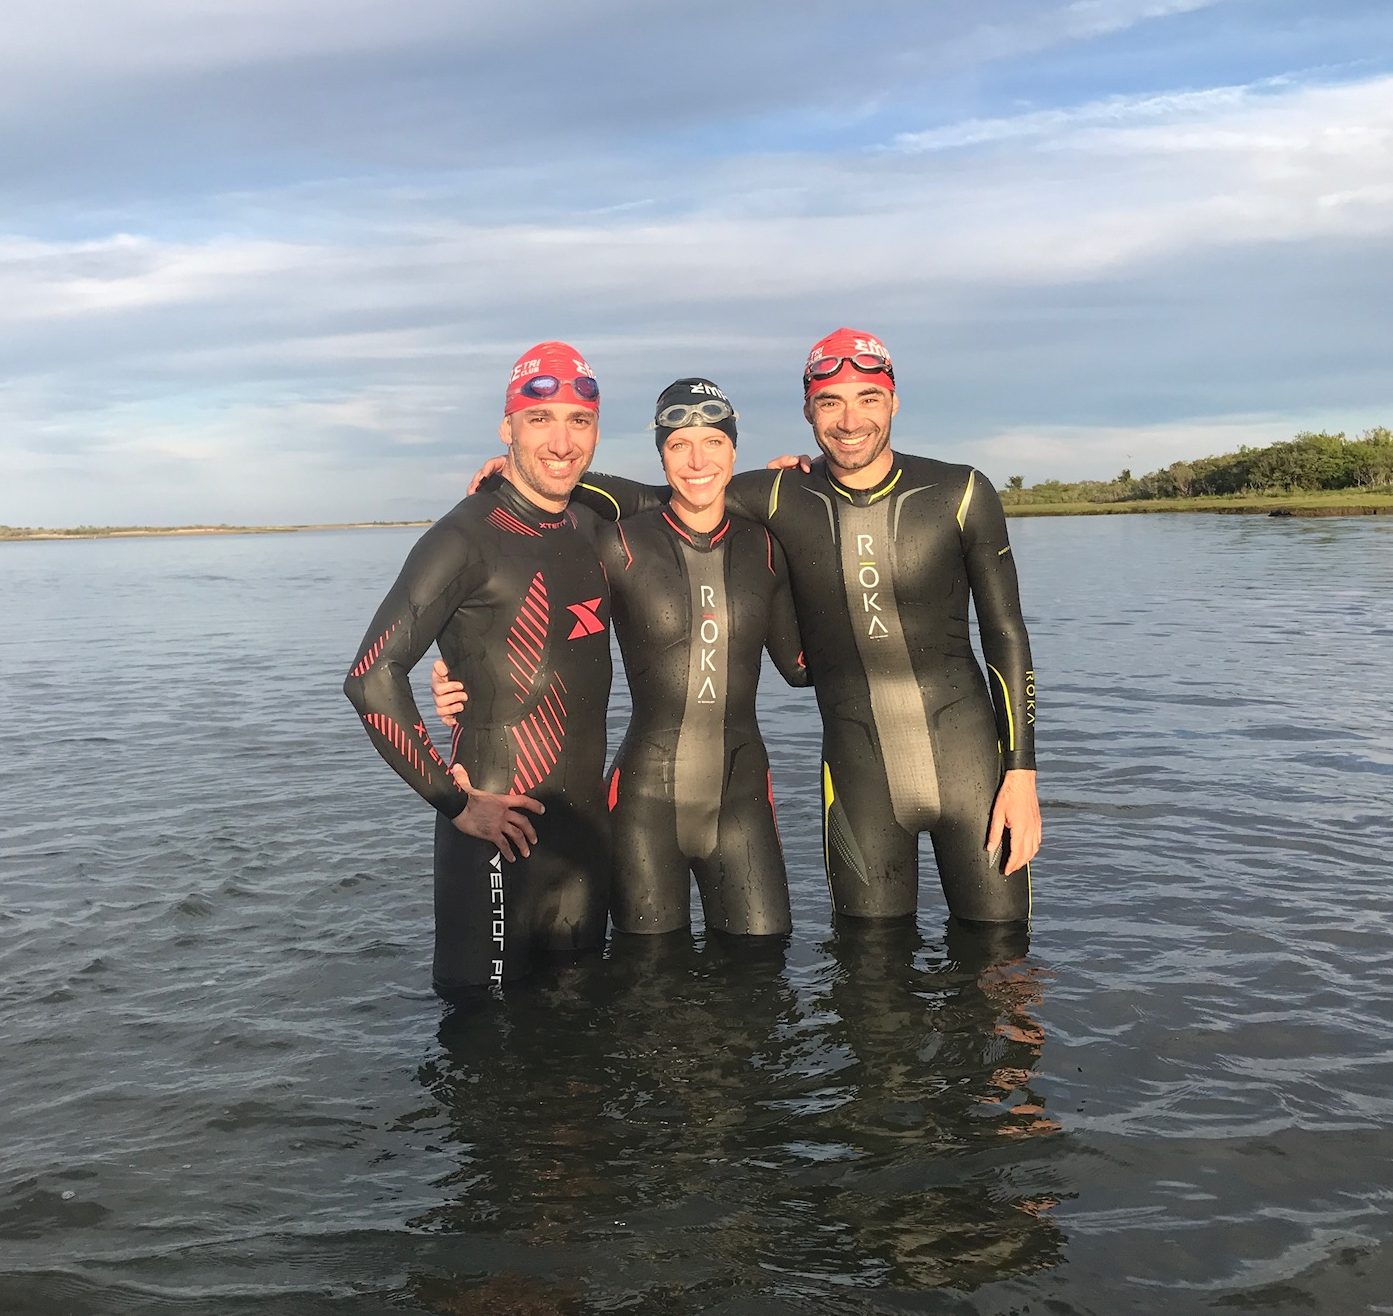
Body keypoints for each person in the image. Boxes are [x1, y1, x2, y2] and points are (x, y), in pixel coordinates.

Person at [558, 328, 1042, 926]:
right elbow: (669, 496)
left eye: (868, 398)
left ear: (893, 401)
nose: (850, 420)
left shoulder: (961, 492)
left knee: (1003, 960)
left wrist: (1021, 774)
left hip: (977, 775)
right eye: (830, 402)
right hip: (861, 782)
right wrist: (523, 477)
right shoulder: (781, 495)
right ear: (809, 411)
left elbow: (1006, 635)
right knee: (866, 969)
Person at [434, 378, 809, 937]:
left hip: (743, 802)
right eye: (678, 445)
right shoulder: (618, 546)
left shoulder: (767, 547)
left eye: (713, 442)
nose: (697, 460)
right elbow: (531, 625)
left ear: (735, 450)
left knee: (763, 964)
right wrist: (463, 673)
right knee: (646, 978)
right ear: (661, 455)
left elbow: (800, 668)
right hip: (644, 806)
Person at [343, 341, 613, 998]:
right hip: (494, 835)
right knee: (481, 1034)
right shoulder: (463, 538)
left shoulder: (591, 525)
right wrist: (455, 802)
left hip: (582, 843)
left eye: (579, 421)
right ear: (507, 428)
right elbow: (372, 676)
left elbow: (692, 493)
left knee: (581, 1031)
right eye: (539, 419)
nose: (561, 441)